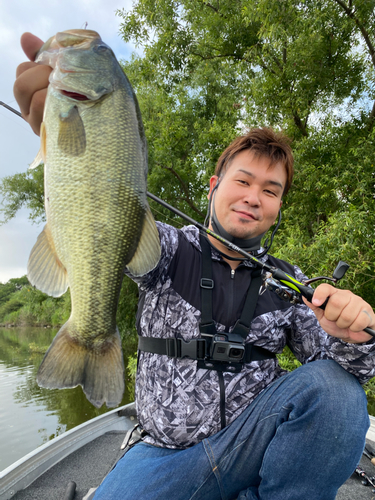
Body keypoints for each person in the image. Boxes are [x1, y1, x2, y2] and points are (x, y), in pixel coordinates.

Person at [14, 32, 375, 500]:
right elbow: (104, 217)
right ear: (213, 186)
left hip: (252, 447)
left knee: (340, 393)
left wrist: (360, 331)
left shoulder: (290, 285)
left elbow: (350, 369)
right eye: (243, 180)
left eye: (270, 190)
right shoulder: (165, 249)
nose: (253, 197)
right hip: (163, 454)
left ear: (279, 206)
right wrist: (67, 135)